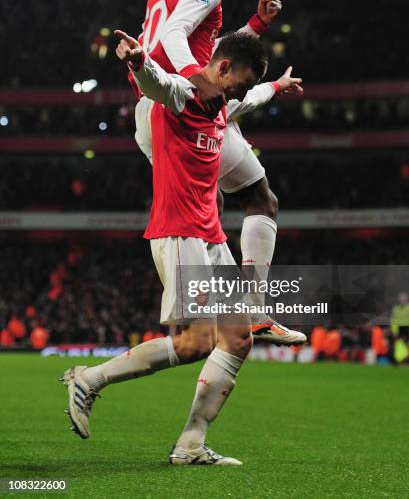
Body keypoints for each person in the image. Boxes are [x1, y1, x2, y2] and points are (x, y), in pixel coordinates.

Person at [60, 31, 303, 465]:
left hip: (210, 237)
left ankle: (191, 443)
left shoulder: (223, 105)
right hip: (179, 235)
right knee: (196, 342)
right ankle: (90, 379)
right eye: (238, 84)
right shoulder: (183, 94)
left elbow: (253, 98)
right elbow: (156, 82)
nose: (239, 95)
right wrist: (137, 61)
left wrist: (277, 87)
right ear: (222, 67)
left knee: (237, 338)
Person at [128, 0, 306, 346]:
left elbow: (210, 51)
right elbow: (176, 36)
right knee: (261, 200)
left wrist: (255, 27)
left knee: (212, 208)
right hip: (184, 109)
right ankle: (253, 311)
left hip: (153, 109)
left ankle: (222, 311)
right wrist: (199, 79)